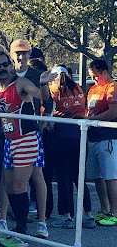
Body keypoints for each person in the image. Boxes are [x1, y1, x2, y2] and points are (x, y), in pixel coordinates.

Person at [0, 50, 56, 244]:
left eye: (4, 64)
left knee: (21, 185)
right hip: (9, 140)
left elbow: (41, 96)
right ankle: (18, 230)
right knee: (9, 186)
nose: (2, 69)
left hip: (26, 138)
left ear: (10, 65)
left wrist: (43, 83)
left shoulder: (20, 83)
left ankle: (22, 232)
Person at [48, 66, 94, 229]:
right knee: (79, 177)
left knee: (63, 178)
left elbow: (50, 113)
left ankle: (66, 216)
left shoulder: (54, 90)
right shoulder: (78, 88)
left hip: (62, 135)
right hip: (80, 135)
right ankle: (88, 215)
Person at [85, 59, 117, 226]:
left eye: (96, 75)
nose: (94, 79)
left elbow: (112, 112)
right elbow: (88, 110)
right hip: (93, 137)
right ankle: (104, 209)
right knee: (97, 176)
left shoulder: (112, 86)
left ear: (104, 72)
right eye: (92, 76)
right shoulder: (92, 89)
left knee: (110, 177)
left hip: (108, 137)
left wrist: (91, 120)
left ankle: (114, 212)